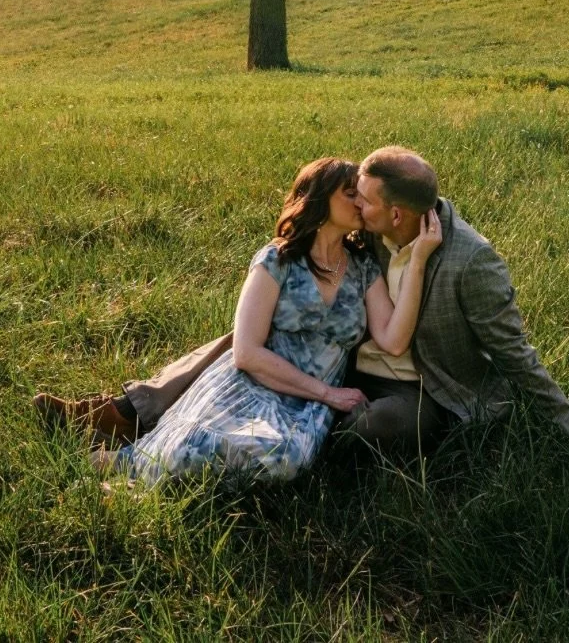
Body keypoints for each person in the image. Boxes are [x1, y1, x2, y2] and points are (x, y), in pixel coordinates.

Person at [36, 146, 569, 461]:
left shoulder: (470, 260)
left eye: (363, 200)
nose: (356, 206)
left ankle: (284, 440)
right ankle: (132, 411)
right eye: (353, 197)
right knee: (250, 337)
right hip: (341, 359)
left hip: (418, 383)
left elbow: (513, 350)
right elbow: (312, 236)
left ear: (394, 213)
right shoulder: (362, 232)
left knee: (376, 429)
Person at [76, 157, 442, 486]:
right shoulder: (276, 260)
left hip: (305, 404)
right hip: (255, 383)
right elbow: (246, 353)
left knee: (283, 459)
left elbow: (393, 340)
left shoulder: (362, 267)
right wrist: (329, 394)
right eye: (350, 194)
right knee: (202, 444)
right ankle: (132, 464)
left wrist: (421, 258)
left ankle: (142, 465)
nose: (360, 203)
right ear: (319, 199)